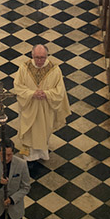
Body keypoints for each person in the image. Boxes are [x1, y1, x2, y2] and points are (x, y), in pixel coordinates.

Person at [12, 45, 70, 174]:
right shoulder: (24, 67)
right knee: (29, 131)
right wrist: (32, 93)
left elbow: (60, 90)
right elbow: (18, 86)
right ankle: (29, 157)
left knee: (43, 130)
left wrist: (46, 94)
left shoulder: (55, 69)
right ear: (32, 56)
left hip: (45, 107)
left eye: (42, 57)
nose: (39, 60)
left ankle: (42, 153)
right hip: (29, 106)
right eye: (37, 57)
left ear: (47, 56)